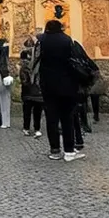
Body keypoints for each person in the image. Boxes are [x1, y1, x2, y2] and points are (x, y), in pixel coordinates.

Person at [37, 20, 84, 161]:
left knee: (51, 118)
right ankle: (69, 150)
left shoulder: (41, 40)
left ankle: (55, 150)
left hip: (47, 84)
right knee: (67, 118)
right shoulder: (66, 40)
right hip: (66, 84)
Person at [19, 36, 44, 138]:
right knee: (35, 110)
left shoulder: (25, 60)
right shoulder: (39, 58)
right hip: (35, 90)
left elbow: (23, 76)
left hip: (30, 90)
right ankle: (35, 128)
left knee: (28, 110)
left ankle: (27, 128)